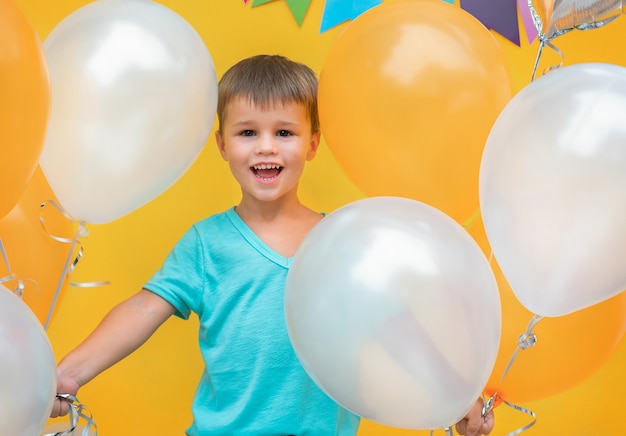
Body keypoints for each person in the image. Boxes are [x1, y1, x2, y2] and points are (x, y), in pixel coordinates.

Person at [51, 54, 494, 436]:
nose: (267, 148)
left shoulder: (344, 242)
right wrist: (67, 375)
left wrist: (455, 394)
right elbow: (143, 309)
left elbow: (397, 325)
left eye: (285, 133)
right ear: (222, 145)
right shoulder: (207, 243)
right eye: (248, 133)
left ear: (313, 143)